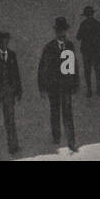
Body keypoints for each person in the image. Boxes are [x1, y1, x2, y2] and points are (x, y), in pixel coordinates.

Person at [37, 17, 78, 151]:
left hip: (66, 86)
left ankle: (71, 140)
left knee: (67, 112)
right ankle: (56, 136)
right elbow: (42, 67)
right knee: (55, 111)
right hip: (53, 86)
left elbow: (74, 66)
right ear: (56, 32)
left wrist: (75, 83)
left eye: (63, 31)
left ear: (65, 31)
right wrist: (42, 87)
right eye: (59, 31)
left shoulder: (70, 46)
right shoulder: (49, 48)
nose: (61, 33)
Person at [76, 5, 100, 97]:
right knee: (97, 69)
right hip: (96, 50)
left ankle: (89, 90)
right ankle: (98, 88)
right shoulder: (98, 24)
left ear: (85, 15)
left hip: (86, 50)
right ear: (93, 14)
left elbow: (78, 37)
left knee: (87, 70)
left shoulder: (83, 24)